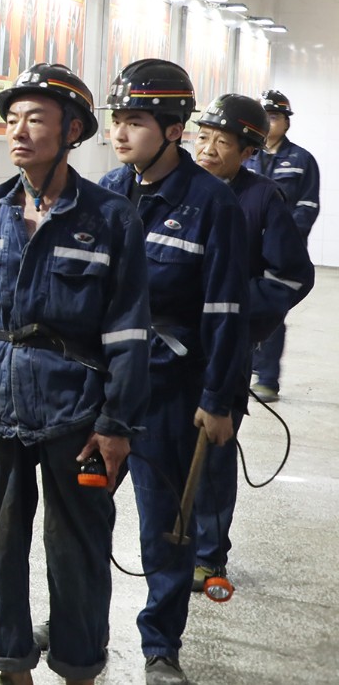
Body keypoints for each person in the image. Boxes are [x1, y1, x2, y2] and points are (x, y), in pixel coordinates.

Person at [0, 63, 150, 685]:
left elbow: (129, 332)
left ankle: (79, 667)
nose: (18, 131)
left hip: (76, 415)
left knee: (78, 551)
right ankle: (11, 666)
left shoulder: (111, 218)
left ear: (72, 131)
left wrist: (116, 424)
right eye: (12, 119)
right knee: (0, 547)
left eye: (35, 119)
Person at [99, 58, 247, 685]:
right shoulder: (106, 190)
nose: (120, 132)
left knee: (166, 527)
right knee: (82, 513)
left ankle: (161, 646)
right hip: (105, 388)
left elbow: (226, 311)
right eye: (118, 119)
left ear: (174, 129)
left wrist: (219, 398)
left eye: (135, 121)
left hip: (169, 390)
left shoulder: (212, 204)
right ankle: (78, 621)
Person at [190, 93, 313, 593]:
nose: (208, 149)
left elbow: (291, 277)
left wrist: (235, 313)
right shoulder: (177, 190)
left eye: (223, 142)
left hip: (225, 347)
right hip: (168, 349)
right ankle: (166, 546)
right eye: (203, 137)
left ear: (248, 153)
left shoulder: (262, 198)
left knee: (213, 452)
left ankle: (207, 556)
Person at [246, 89, 321, 401]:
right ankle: (247, 366)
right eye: (264, 117)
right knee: (244, 306)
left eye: (274, 117)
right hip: (248, 248)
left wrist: (282, 235)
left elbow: (308, 205)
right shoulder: (247, 154)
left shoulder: (302, 160)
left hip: (281, 252)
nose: (269, 122)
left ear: (286, 122)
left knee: (273, 310)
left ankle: (267, 379)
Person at [15, 0, 37, 74]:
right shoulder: (20, 39)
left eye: (31, 12)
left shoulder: (34, 42)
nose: (29, 16)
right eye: (28, 11)